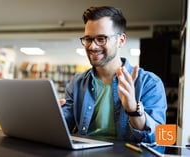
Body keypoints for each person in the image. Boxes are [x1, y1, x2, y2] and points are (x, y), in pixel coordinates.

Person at [61, 6, 167, 143]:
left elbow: (162, 140)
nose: (93, 46)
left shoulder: (151, 83)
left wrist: (133, 110)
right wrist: (50, 115)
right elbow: (62, 127)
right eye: (88, 39)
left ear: (121, 40)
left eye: (101, 38)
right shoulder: (77, 82)